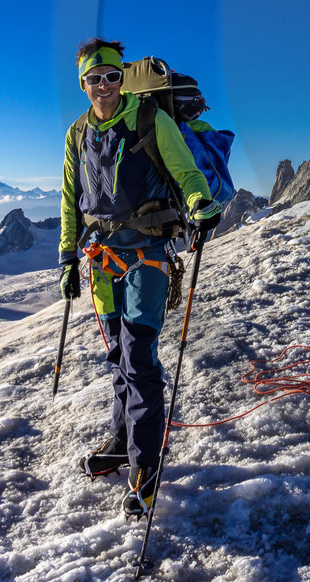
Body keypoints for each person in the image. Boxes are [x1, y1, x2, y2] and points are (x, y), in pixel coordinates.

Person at [59, 38, 220, 517]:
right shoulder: (77, 134)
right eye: (94, 79)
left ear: (121, 79)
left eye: (111, 76)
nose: (104, 86)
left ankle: (145, 468)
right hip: (102, 260)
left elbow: (186, 172)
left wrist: (198, 203)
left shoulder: (151, 120)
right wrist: (68, 257)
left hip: (146, 255)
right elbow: (71, 199)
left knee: (139, 360)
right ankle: (121, 445)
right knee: (117, 358)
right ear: (83, 84)